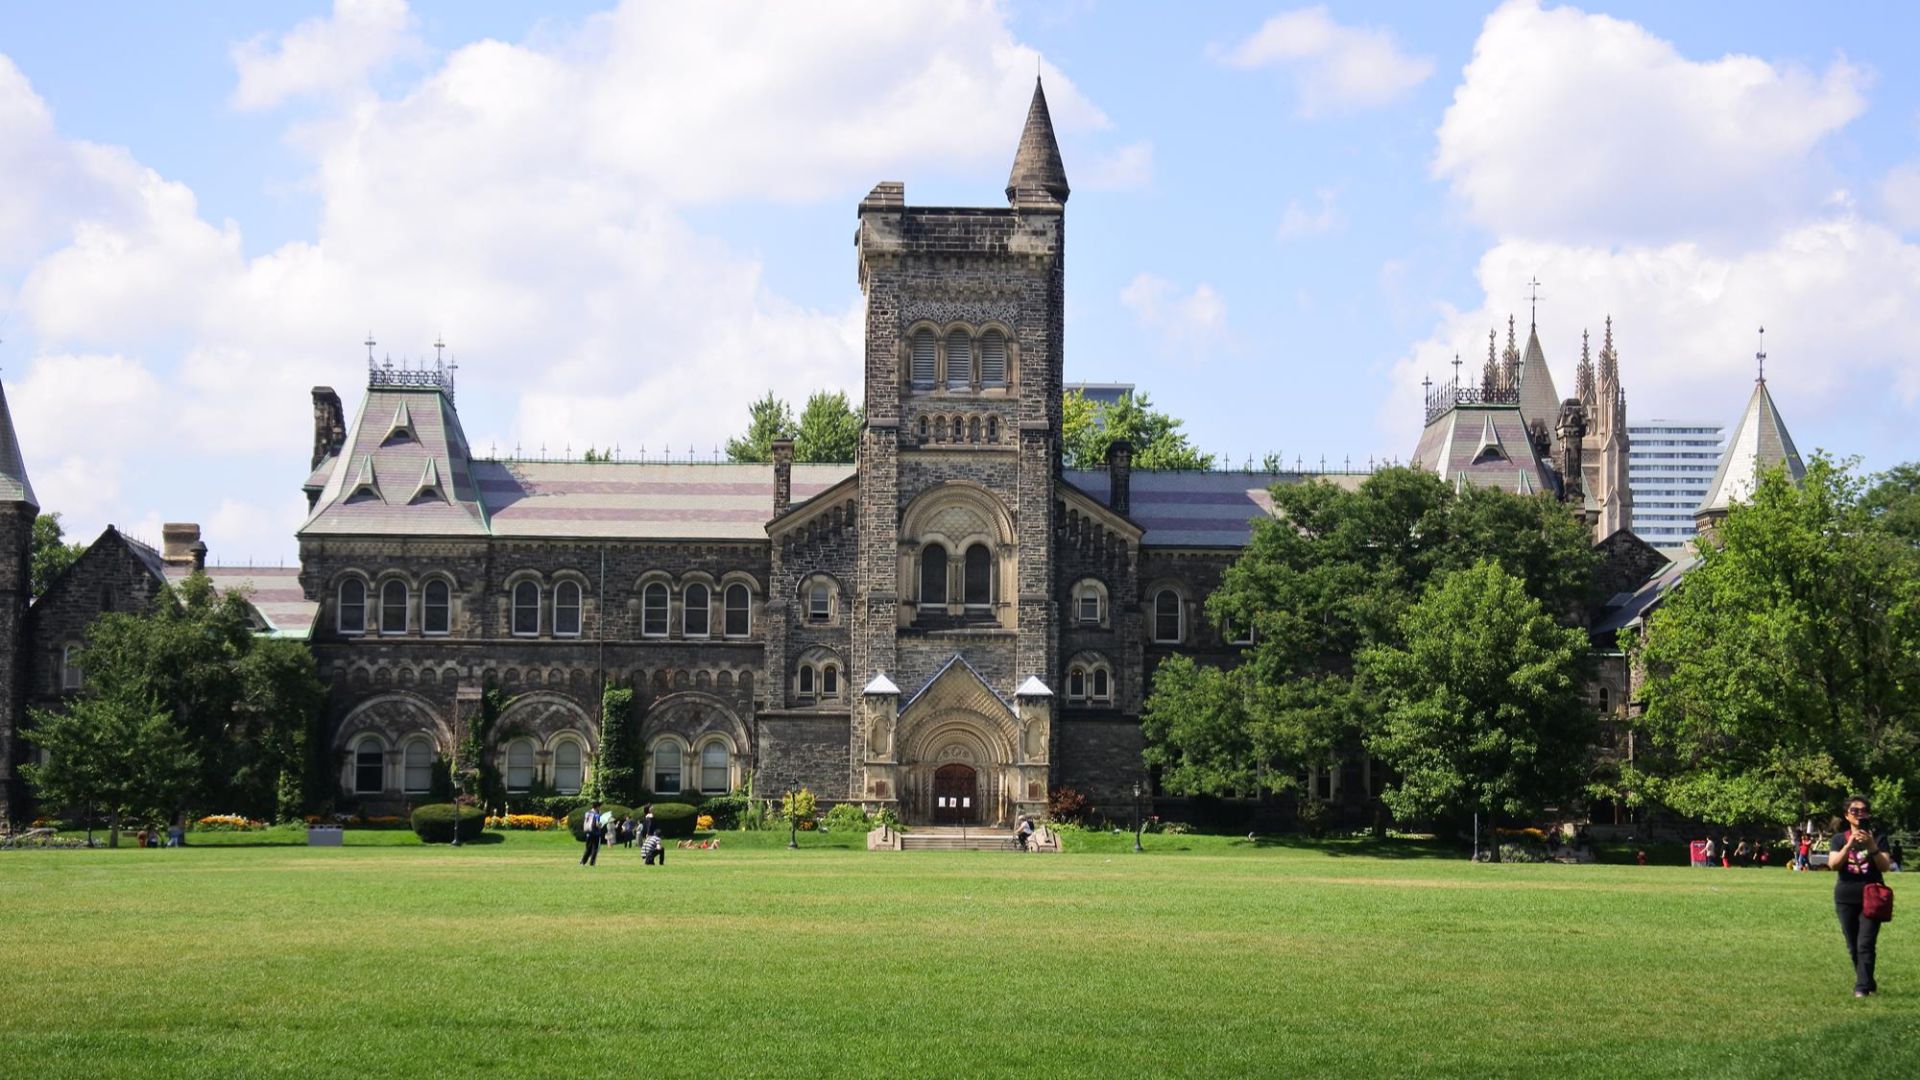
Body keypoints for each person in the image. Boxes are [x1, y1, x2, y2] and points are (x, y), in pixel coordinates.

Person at [1830, 795, 1893, 997]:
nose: (1859, 814)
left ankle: (1862, 987)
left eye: (1863, 810)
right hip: (1845, 897)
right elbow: (1833, 865)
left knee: (1865, 943)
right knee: (1853, 945)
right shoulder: (1839, 839)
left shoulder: (1878, 837)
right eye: (1854, 811)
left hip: (1872, 896)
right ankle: (1868, 981)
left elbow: (1885, 866)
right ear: (1846, 815)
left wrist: (1872, 846)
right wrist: (1848, 845)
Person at [581, 801, 603, 867]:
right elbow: (597, 824)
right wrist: (601, 824)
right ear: (597, 807)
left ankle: (583, 862)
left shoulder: (587, 813)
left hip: (588, 832)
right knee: (595, 848)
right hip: (595, 833)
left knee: (588, 848)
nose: (600, 808)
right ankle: (592, 863)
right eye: (599, 807)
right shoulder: (596, 814)